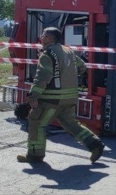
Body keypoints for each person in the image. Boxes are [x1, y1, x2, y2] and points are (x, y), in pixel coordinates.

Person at [17, 27, 105, 163]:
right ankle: (95, 144)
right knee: (71, 124)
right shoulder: (68, 51)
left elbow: (43, 76)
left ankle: (35, 154)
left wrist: (34, 94)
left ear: (50, 38)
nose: (41, 37)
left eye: (44, 35)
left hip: (52, 99)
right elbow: (82, 67)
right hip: (69, 98)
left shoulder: (48, 54)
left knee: (36, 122)